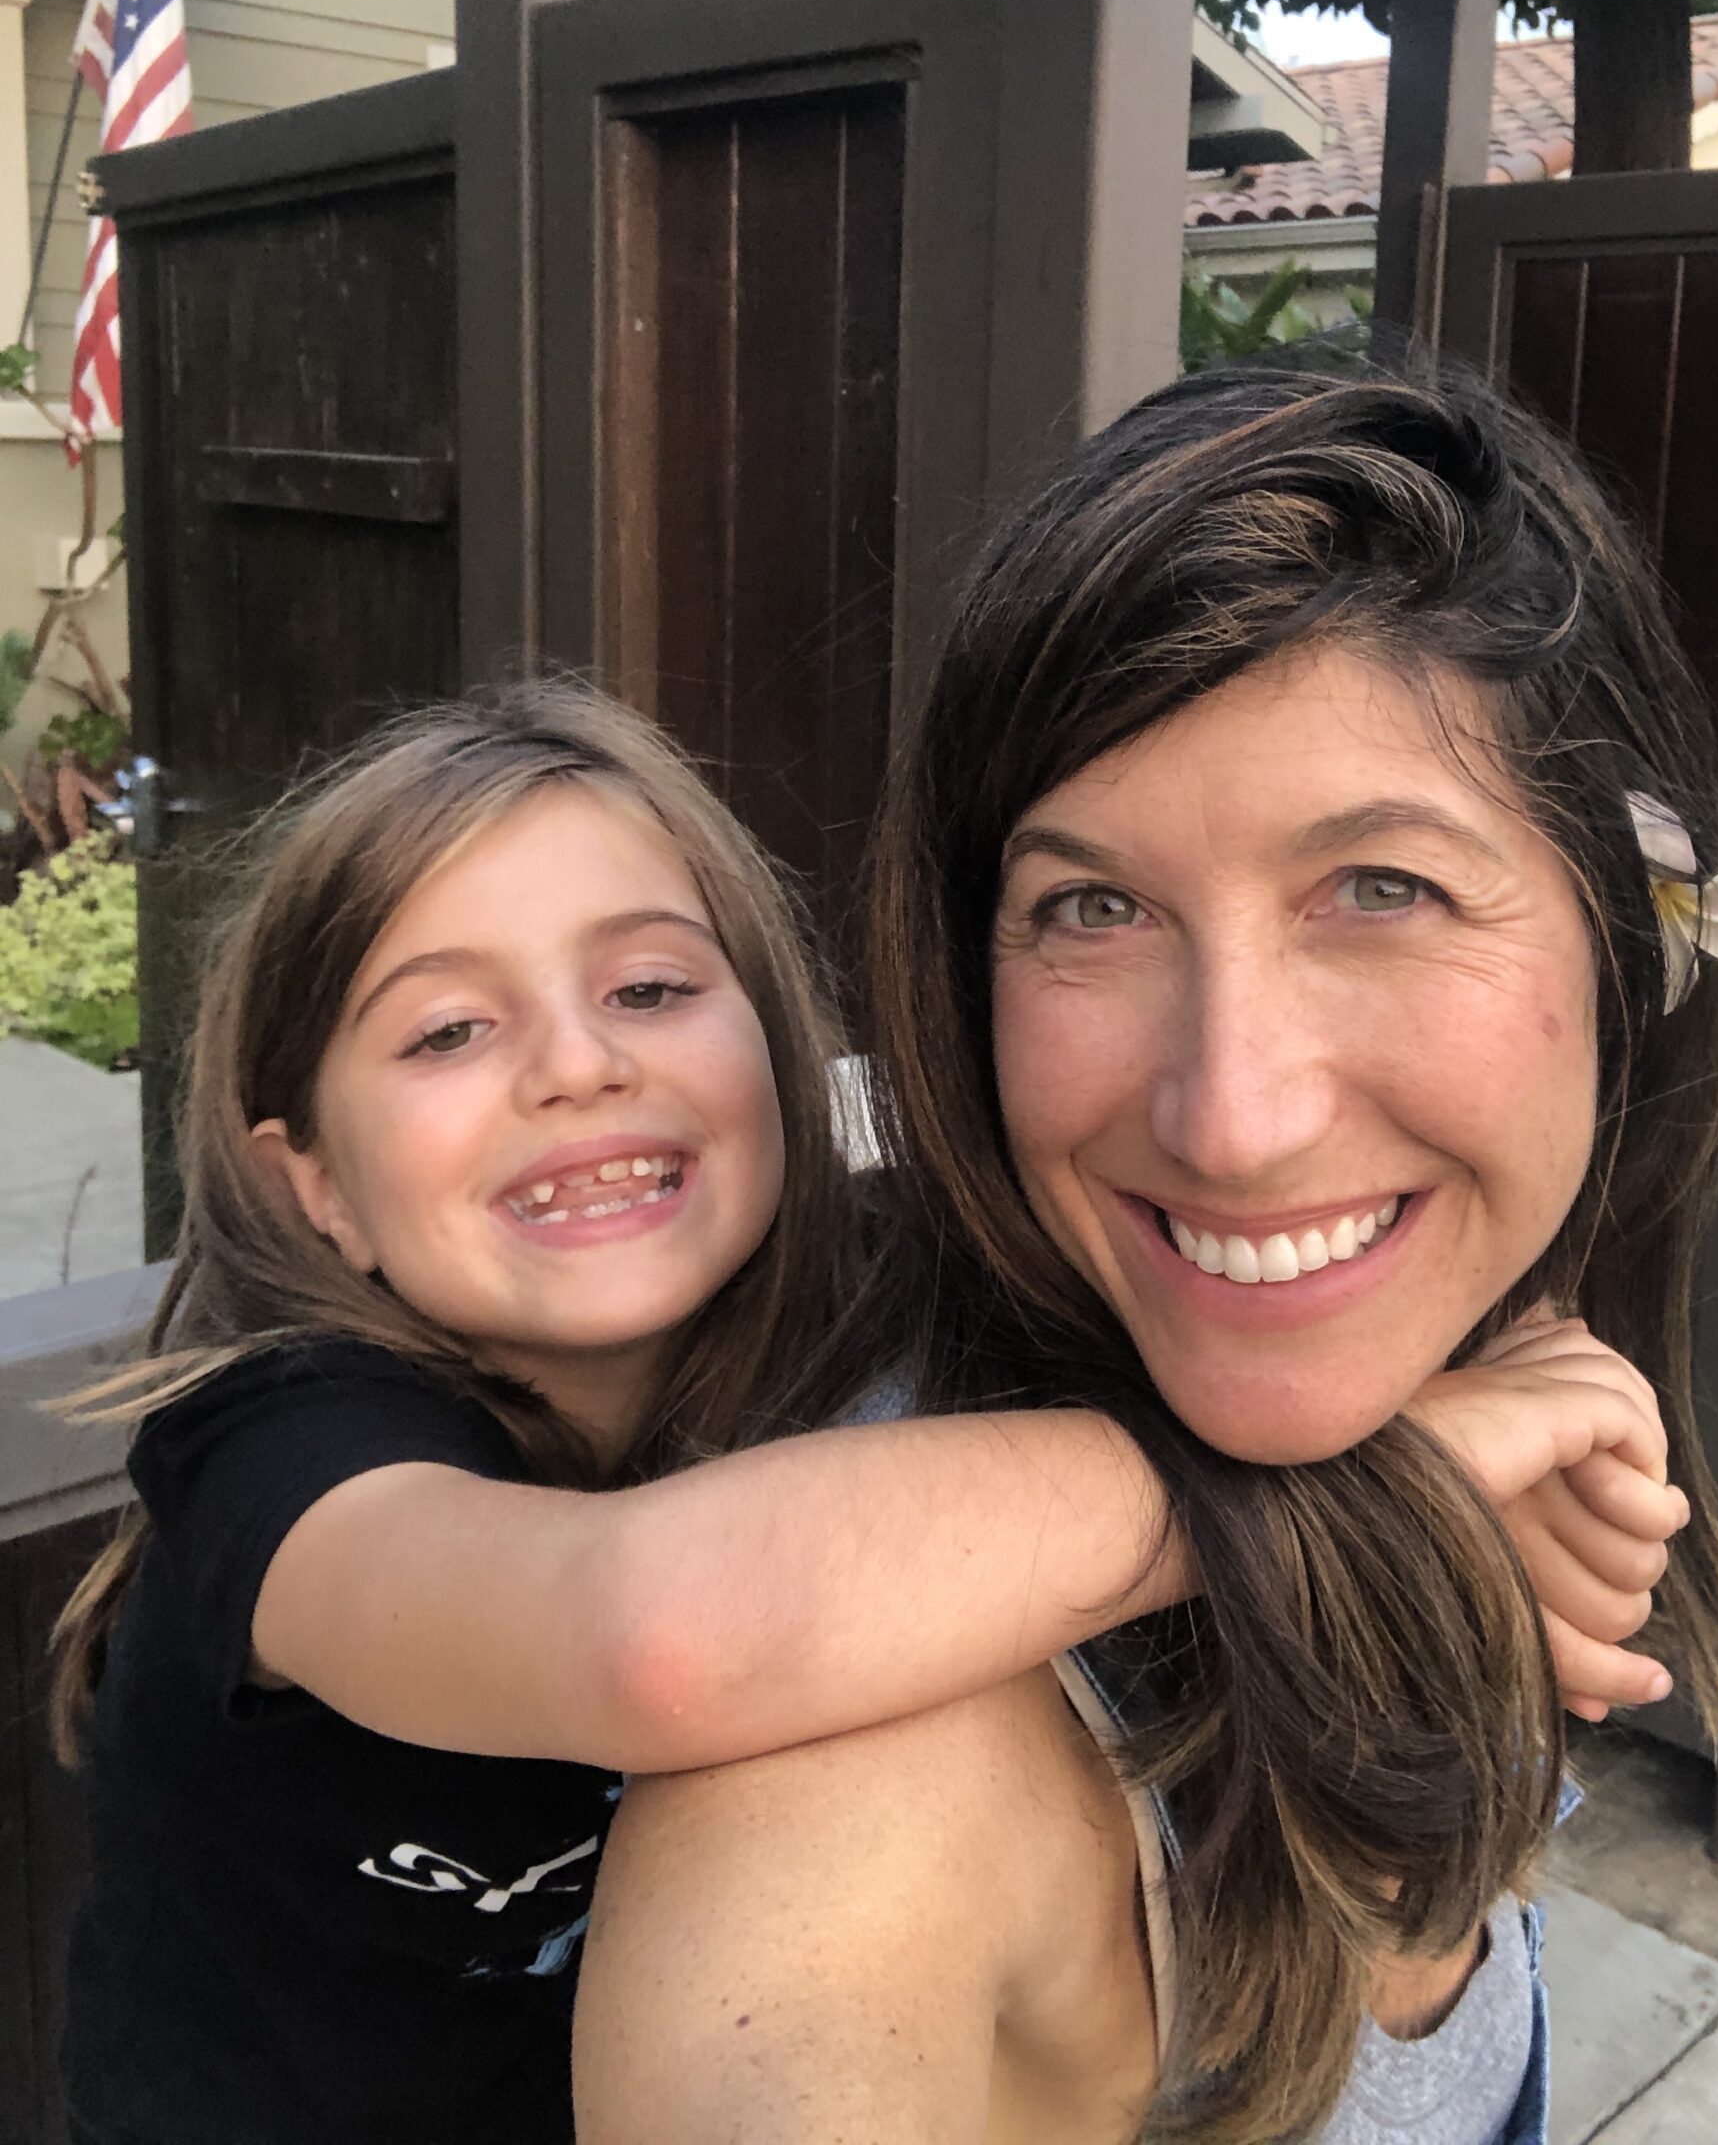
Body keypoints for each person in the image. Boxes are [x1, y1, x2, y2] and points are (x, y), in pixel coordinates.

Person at [574, 364, 1718, 2145]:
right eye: (1092, 906)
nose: (1232, 1118)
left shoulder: (1492, 1413)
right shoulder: (863, 1782)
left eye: (1383, 888)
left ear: (1632, 951)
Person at [47, 683, 1222, 2145]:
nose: (580, 1066)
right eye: (449, 1032)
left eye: (652, 990)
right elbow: (654, 1638)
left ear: (776, 1049)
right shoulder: (281, 1448)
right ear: (318, 1188)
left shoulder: (877, 1323)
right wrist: (1309, 1497)